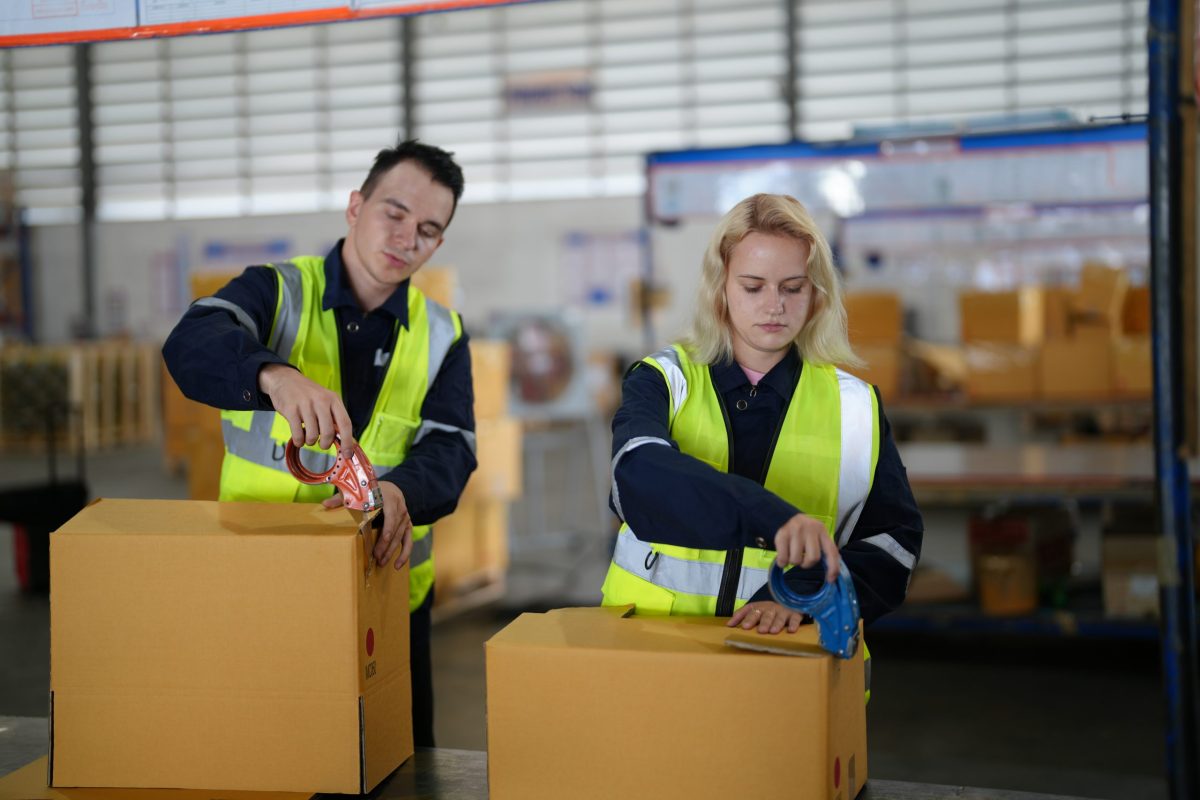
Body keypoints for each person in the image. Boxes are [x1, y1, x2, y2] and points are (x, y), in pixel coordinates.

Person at [163, 139, 476, 747]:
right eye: (394, 213)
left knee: (394, 761)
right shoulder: (276, 292)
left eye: (428, 230)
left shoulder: (443, 333)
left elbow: (452, 449)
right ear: (355, 206)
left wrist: (399, 492)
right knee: (269, 755)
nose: (407, 238)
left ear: (438, 244)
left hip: (384, 590)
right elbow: (191, 342)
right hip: (265, 582)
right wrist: (273, 375)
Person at [602, 193, 923, 691]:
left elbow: (893, 542)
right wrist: (773, 519)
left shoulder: (855, 406)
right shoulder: (663, 380)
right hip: (654, 658)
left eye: (793, 288)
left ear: (817, 295)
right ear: (720, 289)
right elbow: (639, 476)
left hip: (788, 671)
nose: (775, 306)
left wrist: (801, 593)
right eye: (753, 287)